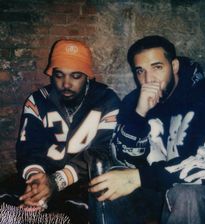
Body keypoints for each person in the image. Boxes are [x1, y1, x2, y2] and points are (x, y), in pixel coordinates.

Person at [89, 35, 205, 224]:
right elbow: (121, 157)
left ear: (174, 67)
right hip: (153, 187)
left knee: (186, 195)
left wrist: (138, 178)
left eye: (157, 67)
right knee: (106, 185)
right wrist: (139, 115)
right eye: (140, 71)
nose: (148, 80)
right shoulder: (134, 101)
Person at [2, 39, 120, 223]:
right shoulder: (38, 101)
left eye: (75, 76)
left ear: (88, 76)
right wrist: (35, 182)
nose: (66, 84)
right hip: (42, 174)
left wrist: (57, 181)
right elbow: (29, 148)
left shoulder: (106, 100)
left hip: (84, 182)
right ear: (51, 74)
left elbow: (103, 151)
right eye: (59, 75)